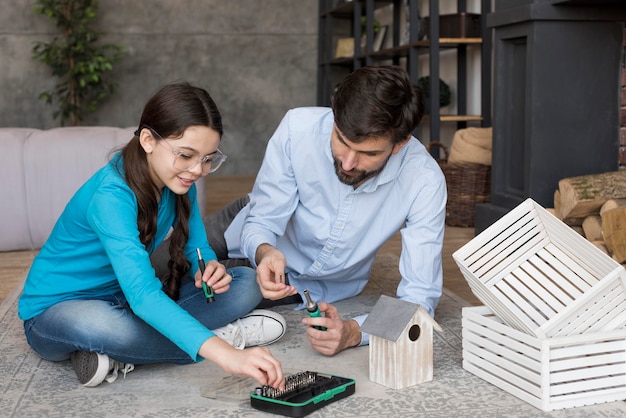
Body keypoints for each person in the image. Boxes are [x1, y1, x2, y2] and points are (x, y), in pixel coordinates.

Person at [17, 82, 287, 389]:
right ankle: (224, 338)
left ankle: (122, 354)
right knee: (103, 326)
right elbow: (144, 297)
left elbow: (197, 247)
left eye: (208, 158)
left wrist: (208, 267)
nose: (197, 169)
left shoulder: (180, 182)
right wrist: (226, 354)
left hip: (125, 299)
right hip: (58, 310)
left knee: (246, 284)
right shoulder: (111, 196)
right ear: (148, 140)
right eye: (186, 155)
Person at [173, 65, 447, 356]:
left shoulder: (425, 181)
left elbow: (419, 297)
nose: (349, 163)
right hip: (245, 227)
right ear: (333, 114)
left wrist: (354, 332)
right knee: (150, 269)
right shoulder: (298, 128)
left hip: (303, 284)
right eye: (341, 140)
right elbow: (263, 218)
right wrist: (265, 252)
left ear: (400, 144)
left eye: (369, 153)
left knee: (187, 296)